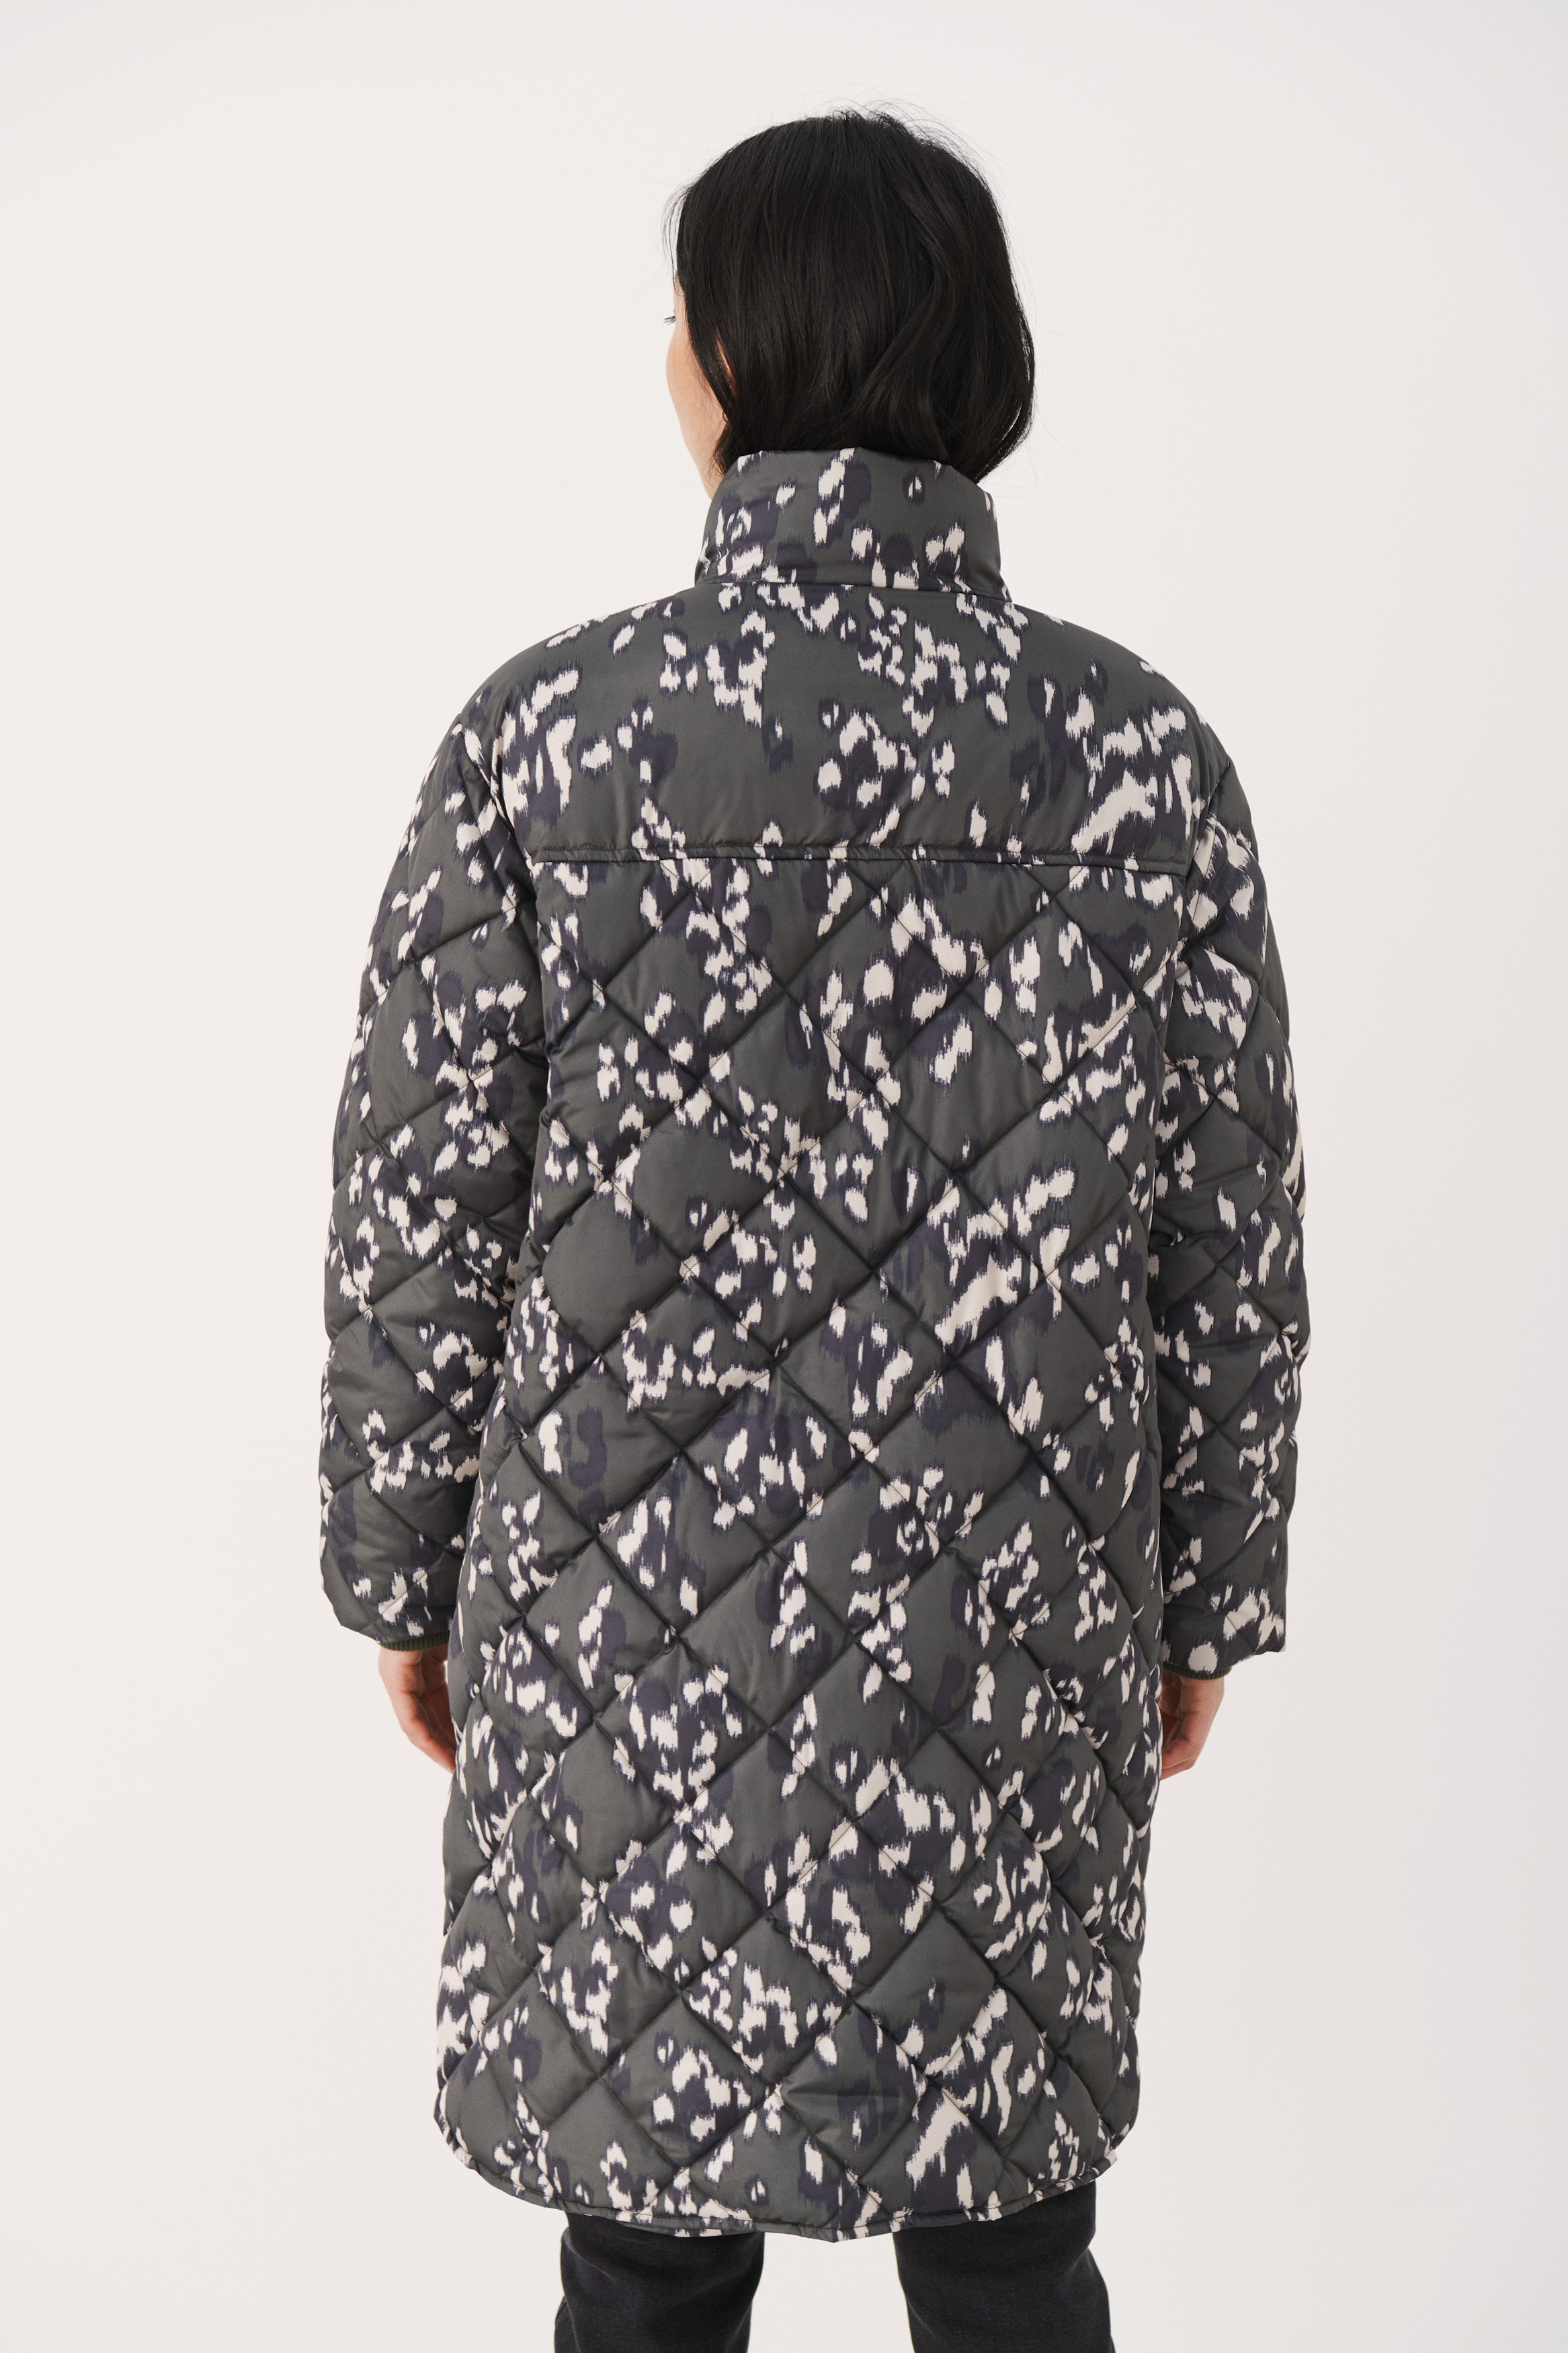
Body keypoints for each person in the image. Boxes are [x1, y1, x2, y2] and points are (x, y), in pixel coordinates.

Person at [317, 109, 1308, 2353]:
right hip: (1013, 1627)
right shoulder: (1142, 758)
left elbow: (419, 1211)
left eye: (678, 308)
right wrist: (1206, 1597)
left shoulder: (548, 741)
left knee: (645, 2242)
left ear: (733, 357)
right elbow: (1228, 1239)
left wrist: (400, 1567)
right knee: (1012, 2238)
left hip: (620, 1636)